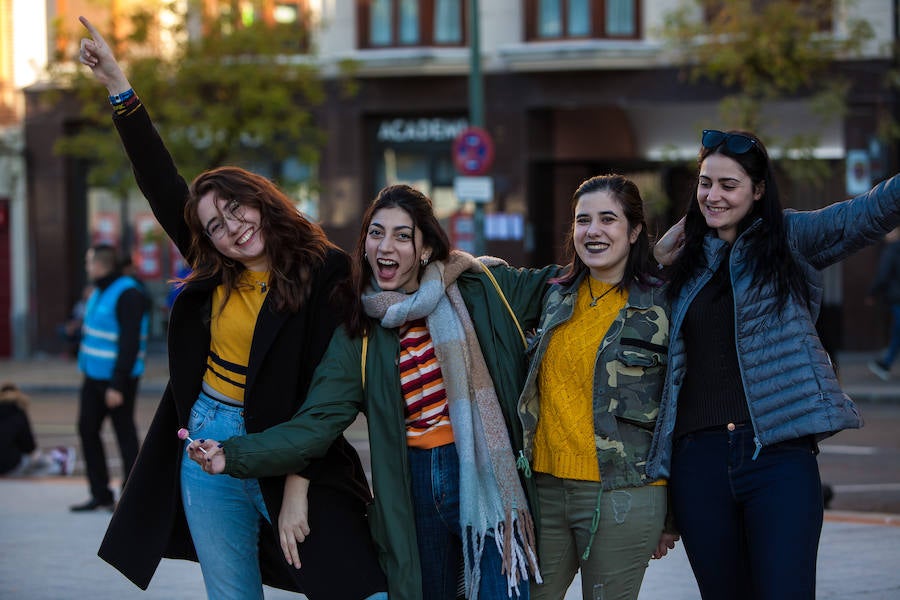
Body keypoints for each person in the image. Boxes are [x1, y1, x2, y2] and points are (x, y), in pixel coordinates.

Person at [78, 16, 387, 600]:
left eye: (235, 210)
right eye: (215, 226)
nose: (231, 229)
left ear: (260, 200)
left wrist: (297, 486)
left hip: (290, 447)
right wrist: (118, 84)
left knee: (360, 586)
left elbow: (325, 396)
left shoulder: (326, 270)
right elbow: (159, 180)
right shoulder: (216, 267)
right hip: (207, 442)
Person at [189, 184, 561, 600]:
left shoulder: (480, 287)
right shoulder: (360, 331)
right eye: (376, 233)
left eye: (402, 235)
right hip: (412, 486)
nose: (386, 246)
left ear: (425, 247)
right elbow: (315, 424)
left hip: (486, 478)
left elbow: (562, 283)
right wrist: (232, 454)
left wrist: (608, 243)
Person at [647, 128, 900, 599]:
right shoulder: (680, 263)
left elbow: (867, 213)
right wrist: (656, 261)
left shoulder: (787, 238)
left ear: (758, 190)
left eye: (729, 185)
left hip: (777, 459)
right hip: (698, 465)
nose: (713, 196)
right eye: (705, 183)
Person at [518, 175, 677, 600]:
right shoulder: (554, 296)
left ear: (635, 230)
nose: (593, 231)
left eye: (608, 219)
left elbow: (680, 406)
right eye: (583, 220)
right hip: (546, 488)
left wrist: (672, 515)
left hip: (624, 494)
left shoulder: (663, 304)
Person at [70, 243, 148, 512]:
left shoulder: (128, 294)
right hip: (93, 376)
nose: (86, 266)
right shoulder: (99, 291)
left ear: (100, 264)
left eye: (88, 262)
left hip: (118, 380)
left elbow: (129, 344)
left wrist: (117, 384)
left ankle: (131, 498)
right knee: (87, 429)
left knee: (124, 434)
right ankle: (100, 494)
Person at [0, 382, 76, 477]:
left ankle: (54, 462)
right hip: (10, 464)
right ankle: (57, 465)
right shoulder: (18, 413)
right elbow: (29, 446)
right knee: (35, 463)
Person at [866, 227, 900, 381]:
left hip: (897, 298)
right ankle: (885, 363)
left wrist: (872, 293)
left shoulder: (891, 250)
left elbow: (883, 274)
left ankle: (885, 364)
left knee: (897, 332)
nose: (886, 235)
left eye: (890, 231)